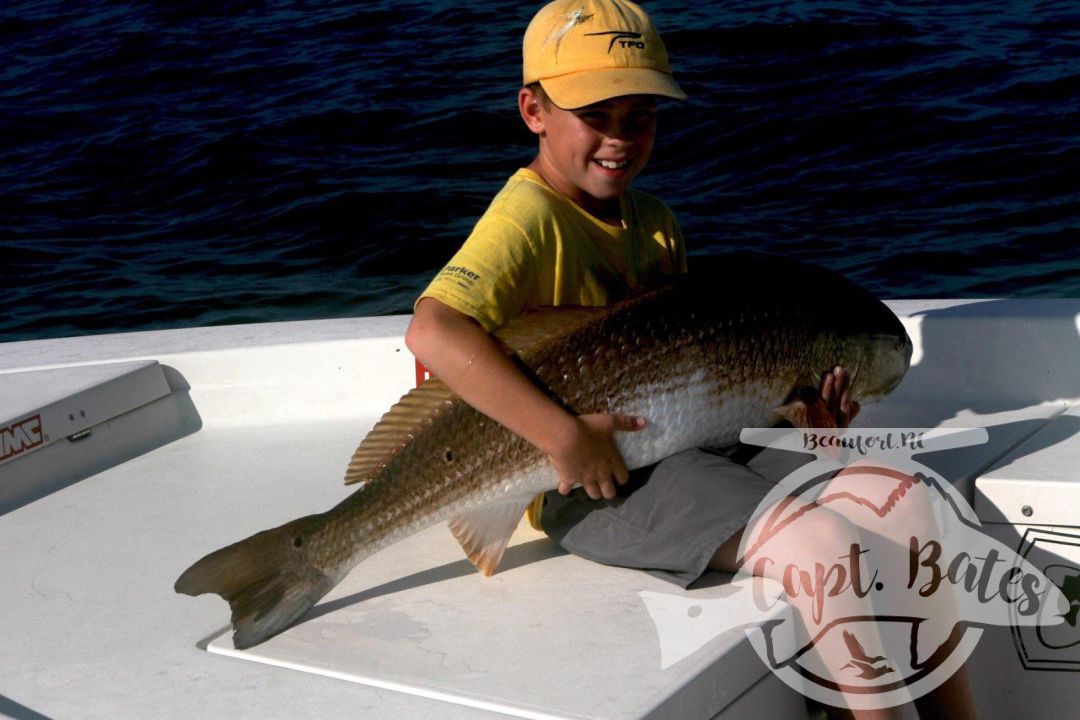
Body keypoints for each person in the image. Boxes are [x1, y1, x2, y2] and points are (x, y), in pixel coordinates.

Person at [405, 2, 975, 718]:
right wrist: (563, 438)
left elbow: (688, 372)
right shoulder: (527, 217)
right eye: (596, 114)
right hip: (583, 485)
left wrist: (807, 426)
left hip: (676, 451)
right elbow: (432, 332)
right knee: (824, 541)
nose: (620, 137)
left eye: (639, 115)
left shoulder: (657, 224)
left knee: (905, 502)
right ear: (533, 110)